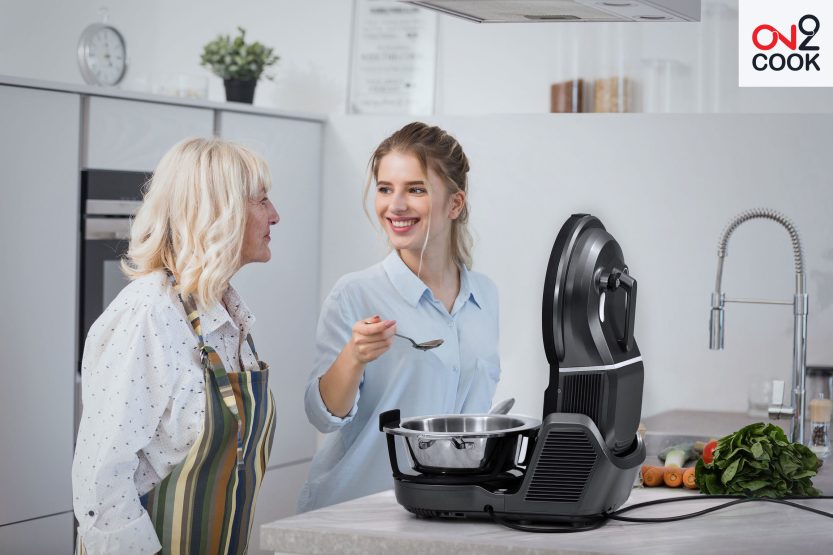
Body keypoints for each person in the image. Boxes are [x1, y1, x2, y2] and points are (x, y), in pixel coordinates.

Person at [72, 137, 280, 554]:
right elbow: (102, 484)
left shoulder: (226, 314)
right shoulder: (148, 315)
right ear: (219, 213)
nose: (275, 215)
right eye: (261, 200)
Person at [298, 122, 501, 512]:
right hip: (356, 513)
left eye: (416, 190)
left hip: (448, 509)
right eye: (385, 189)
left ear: (454, 204)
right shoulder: (355, 293)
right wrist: (353, 356)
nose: (395, 205)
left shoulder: (485, 296)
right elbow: (323, 417)